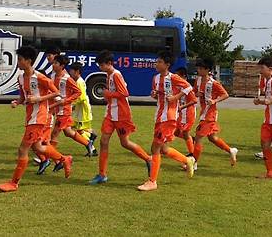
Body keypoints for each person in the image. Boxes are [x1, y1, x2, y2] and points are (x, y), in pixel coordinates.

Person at [0, 46, 73, 192]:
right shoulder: (20, 77)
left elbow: (56, 92)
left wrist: (39, 98)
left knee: (22, 148)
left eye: (19, 60)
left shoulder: (39, 77)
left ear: (28, 61)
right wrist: (17, 102)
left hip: (39, 117)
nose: (17, 63)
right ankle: (64, 159)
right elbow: (23, 96)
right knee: (38, 147)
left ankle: (14, 183)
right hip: (30, 116)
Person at [89, 50, 151, 185]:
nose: (100, 67)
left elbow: (124, 93)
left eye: (101, 65)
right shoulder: (109, 75)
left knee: (125, 143)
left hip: (121, 114)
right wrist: (108, 95)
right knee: (103, 141)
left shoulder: (116, 75)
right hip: (110, 113)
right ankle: (102, 174)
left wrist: (108, 94)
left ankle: (148, 159)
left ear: (109, 63)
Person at [137, 52, 195, 191]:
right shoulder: (155, 78)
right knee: (163, 149)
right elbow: (158, 97)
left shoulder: (174, 77)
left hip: (169, 118)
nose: (156, 64)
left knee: (155, 148)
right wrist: (154, 95)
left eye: (159, 62)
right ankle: (187, 160)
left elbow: (188, 87)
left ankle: (152, 181)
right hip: (159, 116)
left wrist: (176, 97)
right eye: (156, 62)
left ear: (167, 65)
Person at [192, 57, 238, 170]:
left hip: (210, 114)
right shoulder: (198, 80)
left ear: (207, 70)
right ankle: (230, 150)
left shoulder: (214, 83)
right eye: (198, 68)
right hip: (203, 112)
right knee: (212, 138)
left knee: (198, 137)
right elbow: (194, 92)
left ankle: (194, 163)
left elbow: (225, 94)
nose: (199, 70)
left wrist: (214, 101)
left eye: (201, 68)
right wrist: (197, 94)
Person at [49, 55, 95, 158]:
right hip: (57, 108)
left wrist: (66, 101)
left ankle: (48, 158)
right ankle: (88, 143)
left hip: (64, 110)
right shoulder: (52, 76)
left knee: (54, 134)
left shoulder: (67, 79)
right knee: (68, 132)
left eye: (56, 63)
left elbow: (78, 92)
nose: (53, 65)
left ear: (62, 66)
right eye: (53, 63)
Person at [68, 62, 98, 155]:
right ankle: (92, 148)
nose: (70, 73)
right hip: (79, 110)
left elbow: (81, 97)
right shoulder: (77, 81)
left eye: (71, 71)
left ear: (77, 72)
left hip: (82, 110)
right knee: (77, 128)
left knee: (79, 130)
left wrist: (71, 104)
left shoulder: (79, 82)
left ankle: (91, 139)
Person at [173, 67, 196, 155]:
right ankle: (191, 140)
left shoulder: (187, 86)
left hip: (188, 113)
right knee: (176, 132)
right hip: (181, 113)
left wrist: (182, 107)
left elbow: (194, 100)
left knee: (185, 132)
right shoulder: (178, 86)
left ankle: (192, 155)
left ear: (184, 76)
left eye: (178, 76)